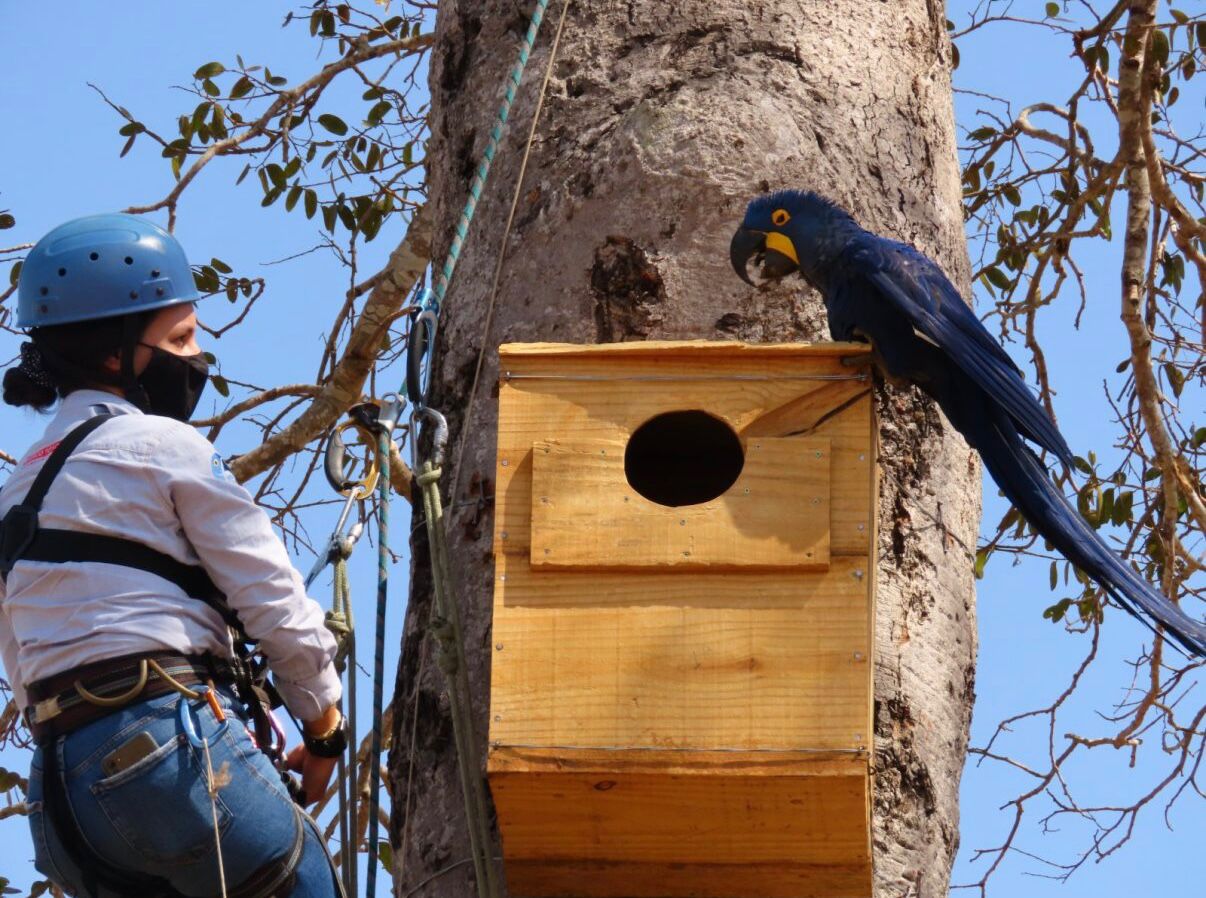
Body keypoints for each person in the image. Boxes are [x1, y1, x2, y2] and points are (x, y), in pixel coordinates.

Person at [0, 214, 347, 897]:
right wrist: (323, 721)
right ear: (114, 357)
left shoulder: (17, 494)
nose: (196, 359)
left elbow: (22, 654)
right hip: (162, 752)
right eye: (181, 338)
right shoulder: (166, 446)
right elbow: (268, 594)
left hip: (63, 804)